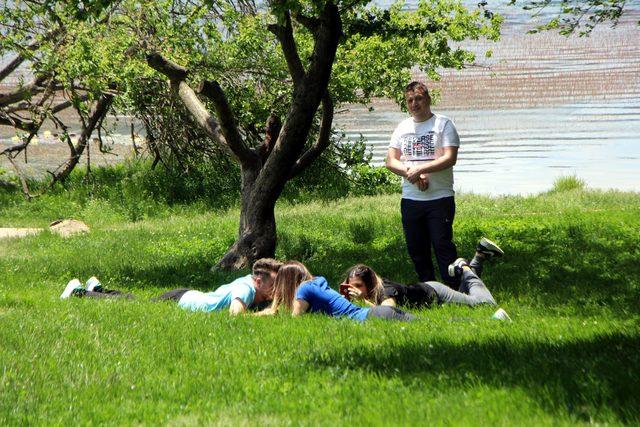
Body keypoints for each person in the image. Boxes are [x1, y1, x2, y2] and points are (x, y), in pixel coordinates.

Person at [385, 81, 461, 288]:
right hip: (411, 199)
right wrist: (412, 172)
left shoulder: (443, 124)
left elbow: (450, 158)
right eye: (409, 100)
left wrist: (421, 169)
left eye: (418, 98)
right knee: (417, 250)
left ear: (428, 99)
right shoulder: (403, 127)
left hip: (440, 198)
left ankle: (455, 290)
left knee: (442, 246)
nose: (414, 103)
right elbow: (391, 161)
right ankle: (429, 290)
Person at [59, 258, 283, 316]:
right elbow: (236, 315)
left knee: (136, 301)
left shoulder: (254, 288)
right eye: (273, 284)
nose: (275, 289)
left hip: (186, 294)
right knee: (136, 306)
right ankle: (78, 293)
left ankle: (96, 289)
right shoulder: (247, 290)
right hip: (182, 300)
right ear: (257, 281)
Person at [342, 238, 504, 308]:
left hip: (436, 294)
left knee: (485, 304)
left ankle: (464, 267)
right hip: (426, 288)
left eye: (358, 285)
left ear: (369, 283)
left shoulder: (386, 291)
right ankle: (480, 255)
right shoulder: (372, 291)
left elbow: (387, 313)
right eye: (351, 285)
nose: (354, 289)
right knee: (466, 294)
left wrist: (362, 301)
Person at [267, 261, 416, 322]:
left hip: (371, 318)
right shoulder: (317, 281)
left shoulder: (304, 288)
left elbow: (295, 321)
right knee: (422, 324)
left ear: (287, 281)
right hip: (379, 312)